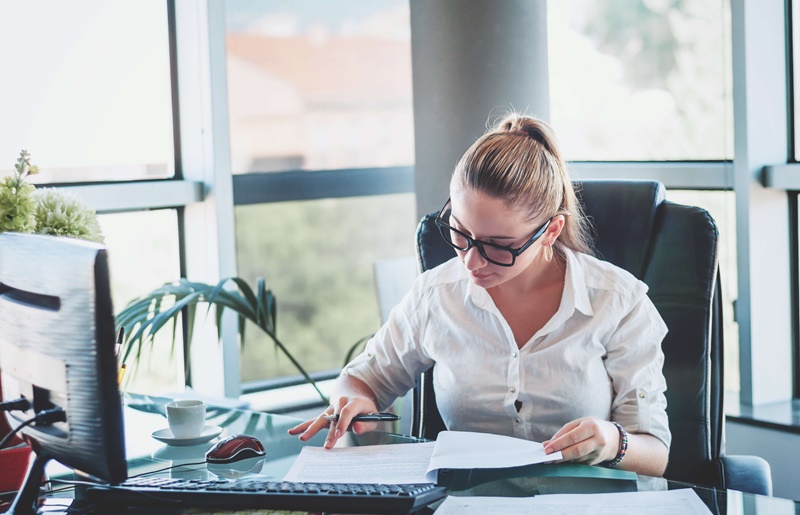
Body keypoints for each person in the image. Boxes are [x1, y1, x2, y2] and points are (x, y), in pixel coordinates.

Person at [289, 114, 671, 477]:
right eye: (460, 233)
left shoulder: (618, 302)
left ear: (551, 231)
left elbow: (655, 454)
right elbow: (360, 381)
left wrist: (612, 442)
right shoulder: (435, 296)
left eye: (498, 245)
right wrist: (353, 400)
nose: (471, 261)